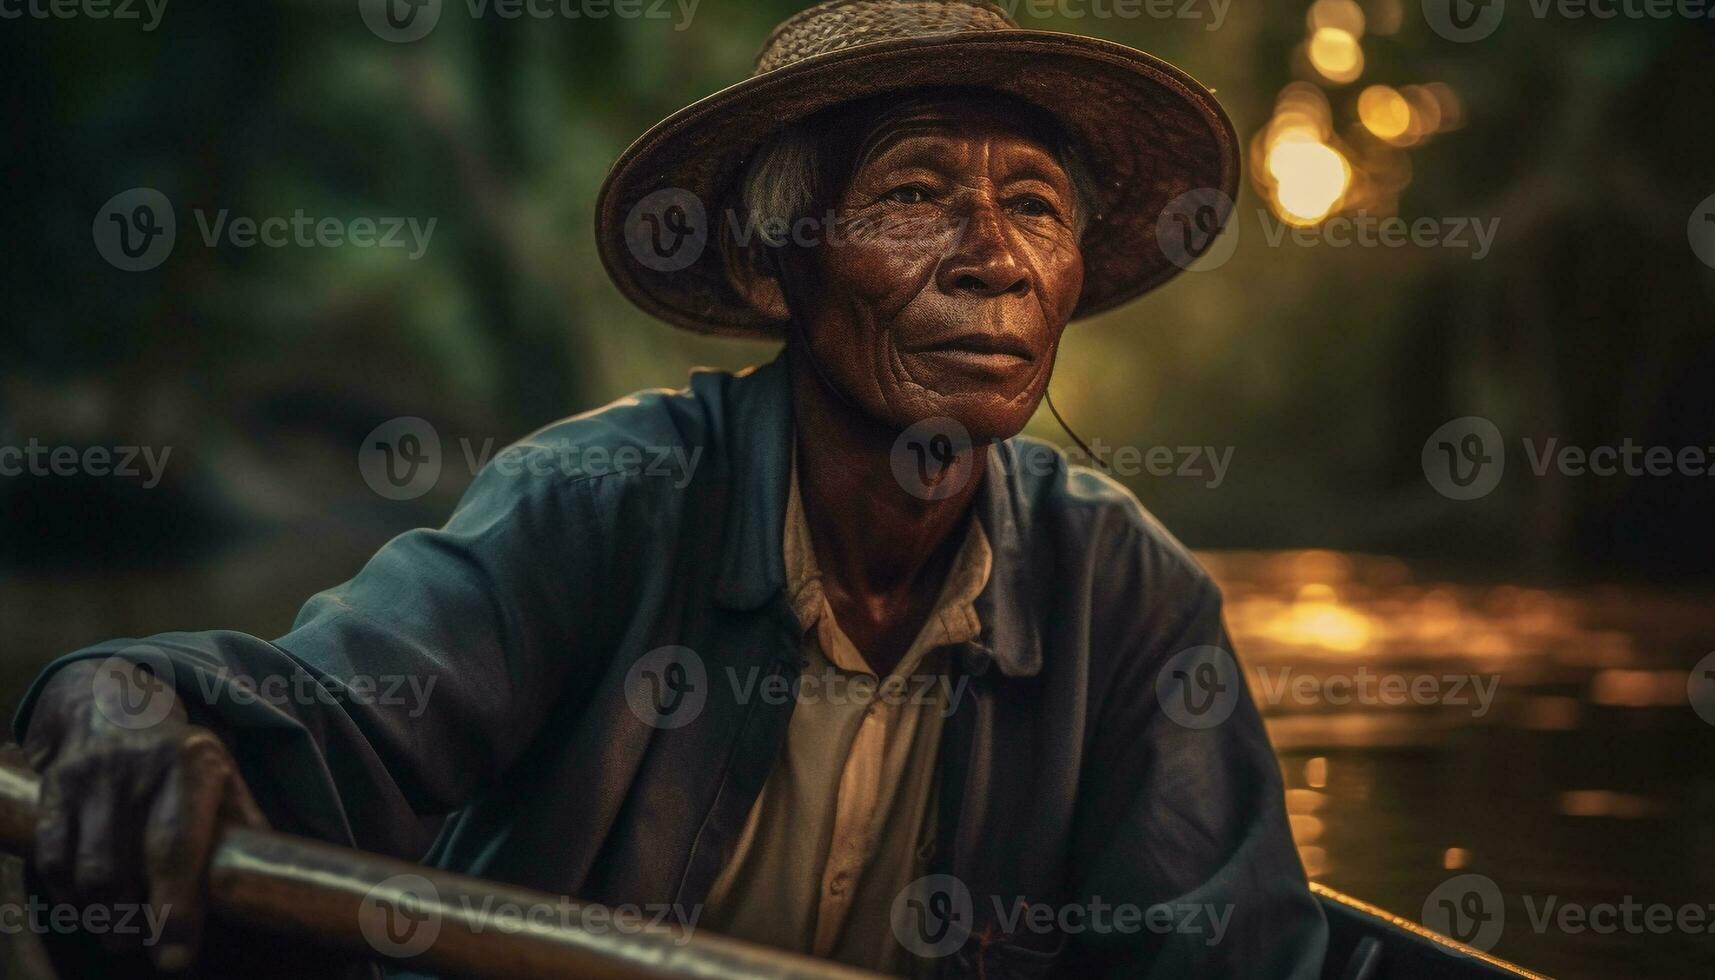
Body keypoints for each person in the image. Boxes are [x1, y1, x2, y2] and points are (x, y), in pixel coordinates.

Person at [15, 1, 1327, 976]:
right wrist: (127, 704)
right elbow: (301, 726)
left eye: (1037, 209)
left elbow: (1219, 950)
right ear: (773, 273)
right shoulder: (597, 506)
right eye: (916, 193)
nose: (992, 257)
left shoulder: (1130, 593)